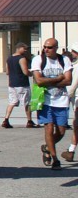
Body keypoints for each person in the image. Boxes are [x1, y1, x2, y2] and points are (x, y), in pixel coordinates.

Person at [30, 39, 72, 170]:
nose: (46, 50)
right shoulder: (38, 59)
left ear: (56, 48)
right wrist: (58, 78)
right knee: (48, 127)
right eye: (45, 47)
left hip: (61, 100)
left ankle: (47, 147)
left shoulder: (64, 60)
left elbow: (68, 81)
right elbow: (38, 80)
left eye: (49, 47)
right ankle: (55, 159)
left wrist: (48, 81)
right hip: (45, 100)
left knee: (61, 131)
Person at [2, 42, 32, 129]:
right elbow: (25, 71)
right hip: (22, 83)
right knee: (27, 103)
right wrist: (32, 74)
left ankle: (6, 119)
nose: (26, 50)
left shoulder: (9, 58)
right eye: (24, 48)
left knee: (12, 102)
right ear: (19, 48)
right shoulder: (22, 59)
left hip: (12, 84)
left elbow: (7, 72)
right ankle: (29, 121)